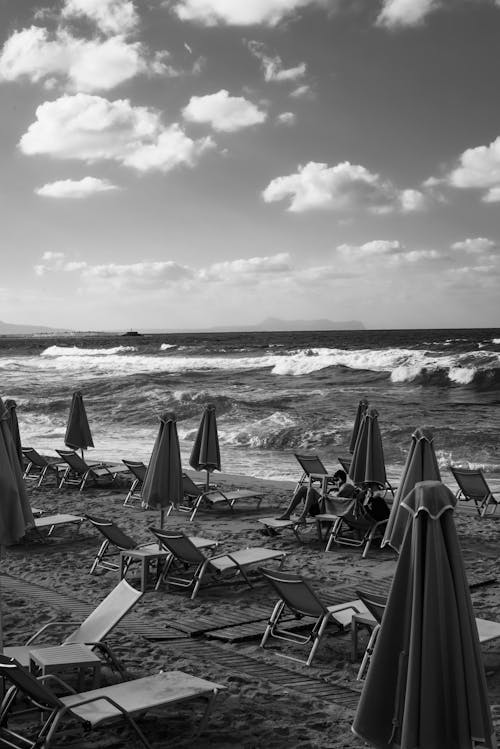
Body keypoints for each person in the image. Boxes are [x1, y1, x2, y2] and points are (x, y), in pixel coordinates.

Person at [277, 469, 351, 521]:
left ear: (343, 480)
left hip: (325, 510)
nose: (335, 483)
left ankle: (303, 516)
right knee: (303, 488)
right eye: (334, 480)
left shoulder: (346, 488)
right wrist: (326, 494)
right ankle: (287, 514)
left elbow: (340, 498)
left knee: (311, 490)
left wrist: (329, 495)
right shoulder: (333, 490)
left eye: (337, 480)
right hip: (318, 507)